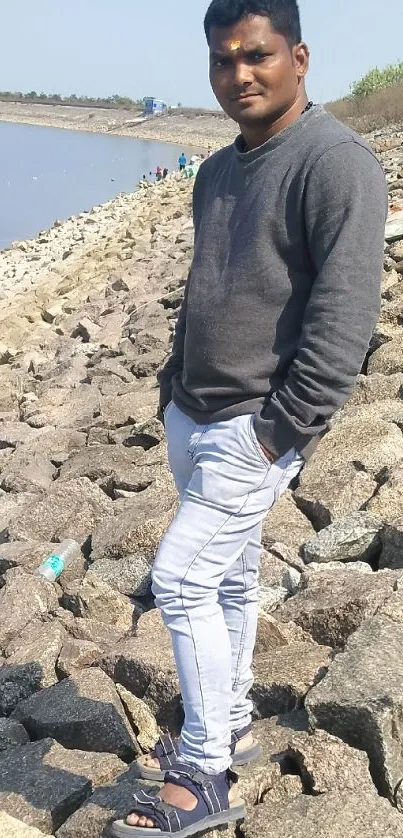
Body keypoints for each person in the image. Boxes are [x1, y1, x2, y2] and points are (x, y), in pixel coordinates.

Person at [113, 1, 387, 836]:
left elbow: (343, 317)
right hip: (191, 413)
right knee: (227, 581)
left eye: (256, 56)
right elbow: (208, 283)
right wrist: (170, 385)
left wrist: (280, 429)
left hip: (254, 426)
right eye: (221, 61)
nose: (239, 75)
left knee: (182, 579)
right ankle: (227, 717)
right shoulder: (216, 171)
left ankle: (204, 770)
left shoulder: (336, 163)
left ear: (297, 57)